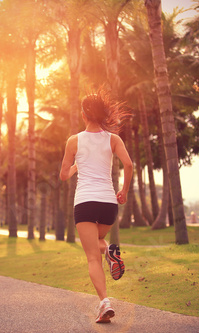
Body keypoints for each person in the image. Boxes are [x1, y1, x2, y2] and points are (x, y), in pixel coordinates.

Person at [59, 89, 133, 324]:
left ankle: (104, 302)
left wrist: (76, 167)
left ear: (83, 115)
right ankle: (109, 250)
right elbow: (129, 165)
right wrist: (124, 191)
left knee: (92, 256)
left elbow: (63, 175)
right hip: (108, 202)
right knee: (97, 243)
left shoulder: (74, 141)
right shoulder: (113, 139)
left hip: (85, 202)